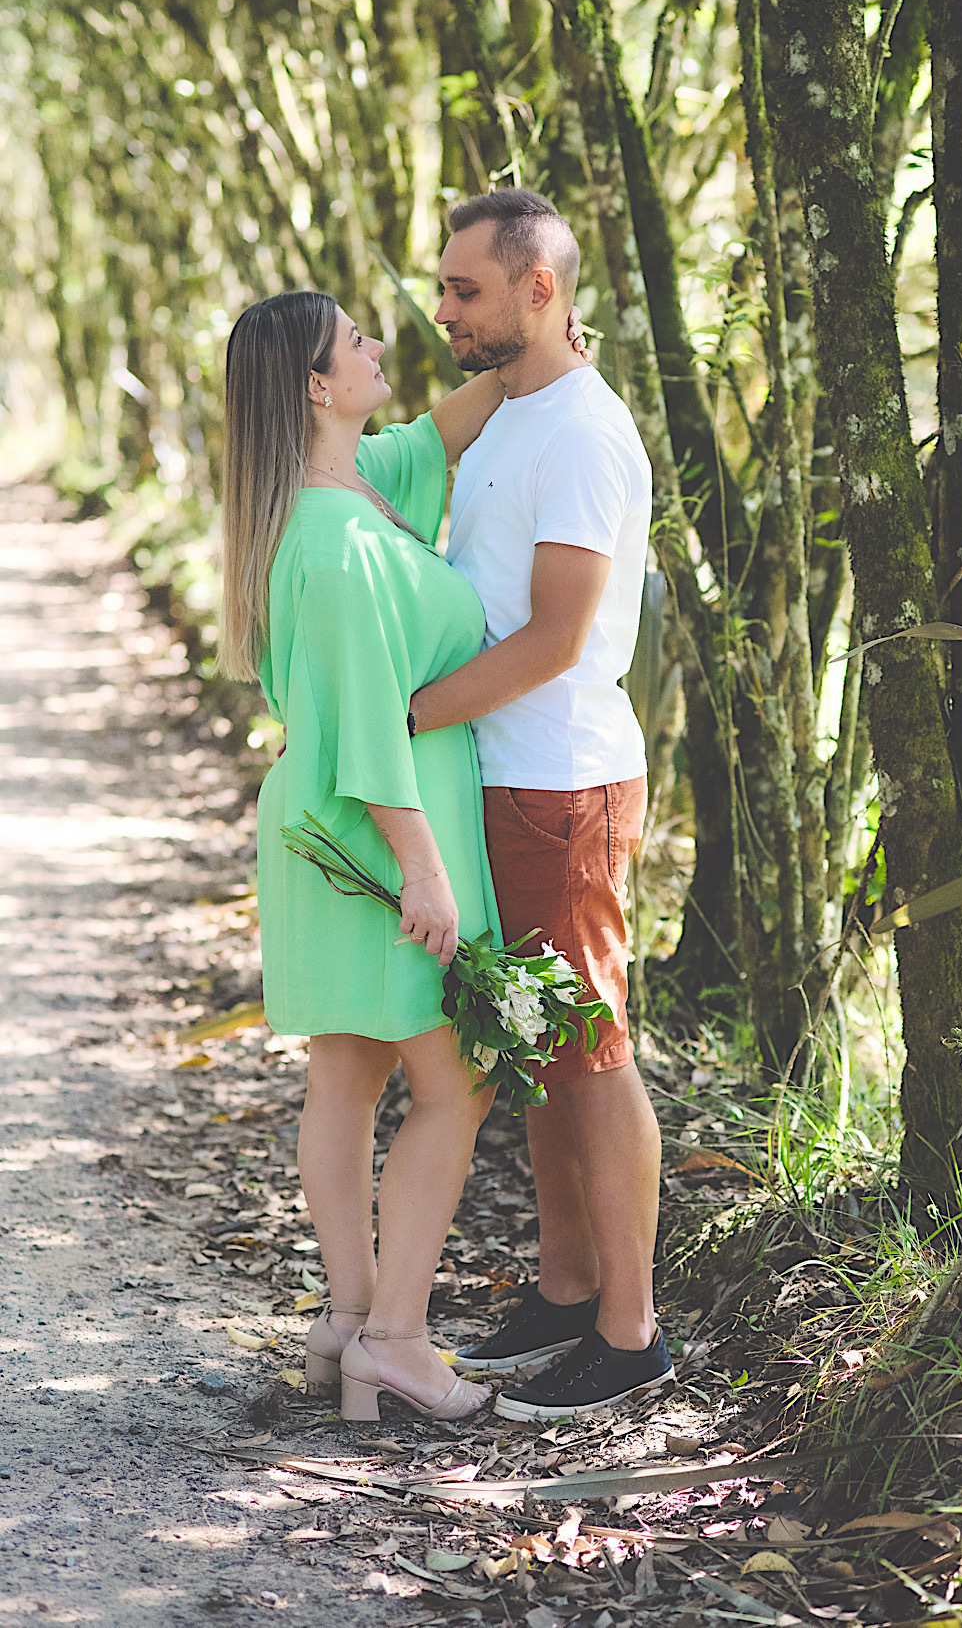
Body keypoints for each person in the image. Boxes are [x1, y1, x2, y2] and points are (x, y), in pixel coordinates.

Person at [220, 290, 582, 1423]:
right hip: (374, 839)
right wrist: (423, 870)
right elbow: (375, 726)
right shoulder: (333, 541)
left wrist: (548, 338)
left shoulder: (360, 486)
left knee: (348, 1071)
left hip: (336, 832)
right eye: (359, 342)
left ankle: (347, 1322)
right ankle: (399, 1338)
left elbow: (443, 427)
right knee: (456, 1077)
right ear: (320, 388)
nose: (384, 349)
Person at [408, 187, 673, 1421]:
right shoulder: (516, 405)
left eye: (465, 288)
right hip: (504, 775)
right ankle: (566, 1292)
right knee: (537, 1049)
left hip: (562, 778)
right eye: (446, 286)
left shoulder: (579, 432)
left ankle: (630, 1336)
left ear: (540, 288)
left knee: (591, 1048)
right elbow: (396, 446)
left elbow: (561, 638)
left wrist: (406, 716)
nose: (444, 308)